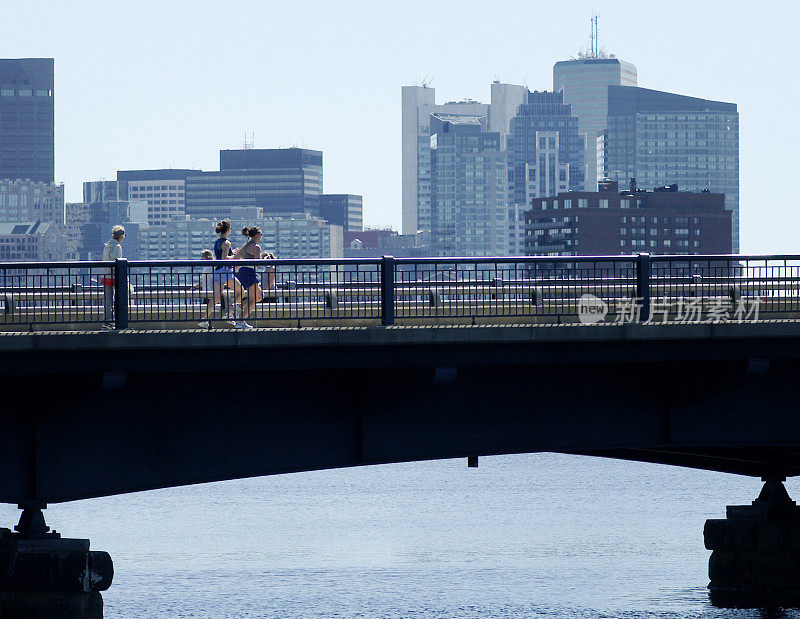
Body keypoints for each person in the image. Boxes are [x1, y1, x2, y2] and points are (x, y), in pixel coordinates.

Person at [199, 220, 244, 329]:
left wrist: (231, 254)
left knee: (216, 298)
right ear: (228, 230)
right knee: (241, 292)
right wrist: (236, 256)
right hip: (226, 271)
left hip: (217, 271)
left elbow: (221, 256)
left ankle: (204, 320)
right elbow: (225, 259)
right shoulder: (227, 243)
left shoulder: (217, 242)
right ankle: (229, 313)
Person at [233, 226, 268, 329]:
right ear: (256, 235)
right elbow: (257, 264)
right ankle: (241, 321)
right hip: (250, 272)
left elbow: (236, 258)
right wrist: (265, 259)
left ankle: (238, 306)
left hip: (243, 271)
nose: (261, 237)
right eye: (261, 234)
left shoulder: (245, 245)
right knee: (253, 299)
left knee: (260, 296)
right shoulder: (257, 247)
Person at [101, 225, 125, 329]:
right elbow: (117, 262)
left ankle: (107, 321)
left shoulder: (107, 245)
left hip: (105, 275)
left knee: (108, 300)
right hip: (114, 276)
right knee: (117, 299)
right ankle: (115, 321)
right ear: (120, 236)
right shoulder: (117, 247)